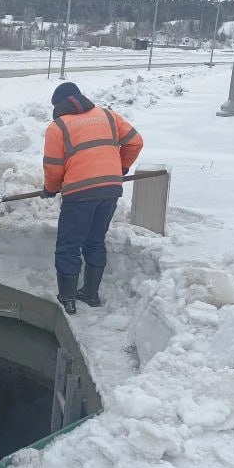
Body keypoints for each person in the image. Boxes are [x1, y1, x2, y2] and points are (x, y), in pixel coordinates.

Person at [42, 82, 143, 314]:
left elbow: (53, 167)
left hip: (79, 193)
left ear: (59, 105)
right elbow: (136, 142)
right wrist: (121, 167)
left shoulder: (58, 127)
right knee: (94, 241)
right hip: (110, 188)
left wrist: (50, 188)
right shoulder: (108, 115)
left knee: (69, 245)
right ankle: (90, 293)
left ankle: (67, 298)